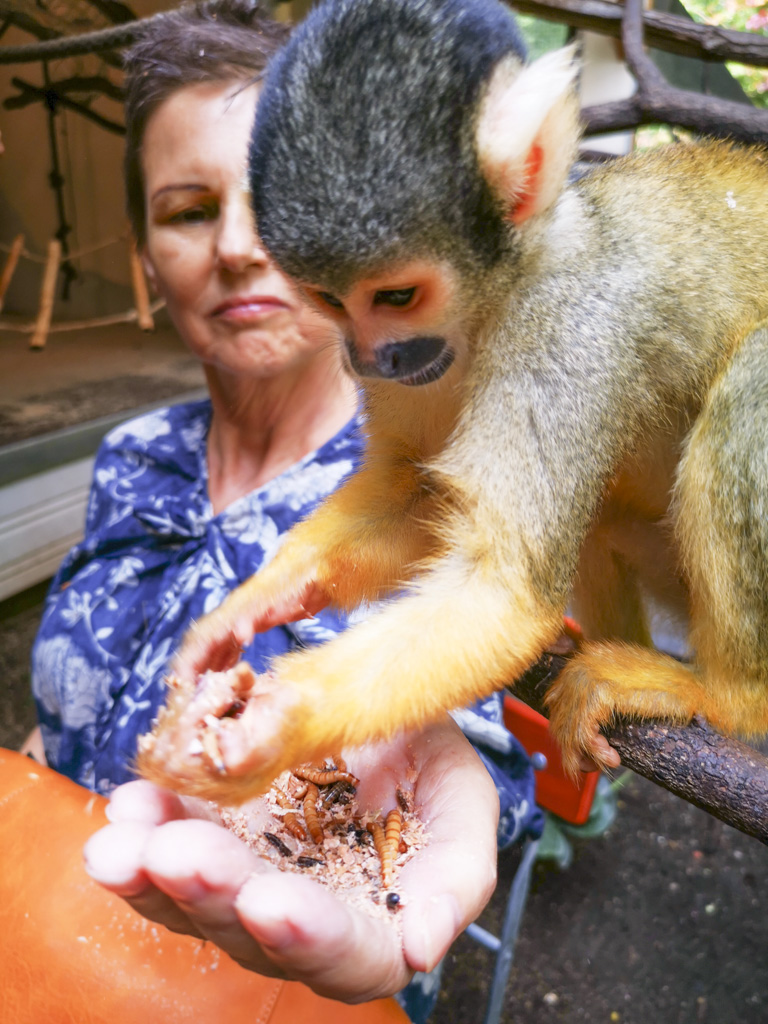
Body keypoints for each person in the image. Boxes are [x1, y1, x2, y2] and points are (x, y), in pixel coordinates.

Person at [29, 0, 541, 1014]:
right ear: (145, 256)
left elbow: (472, 718)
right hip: (55, 938)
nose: (232, 246)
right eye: (186, 209)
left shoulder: (433, 486)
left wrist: (461, 783)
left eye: (274, 201)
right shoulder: (132, 456)